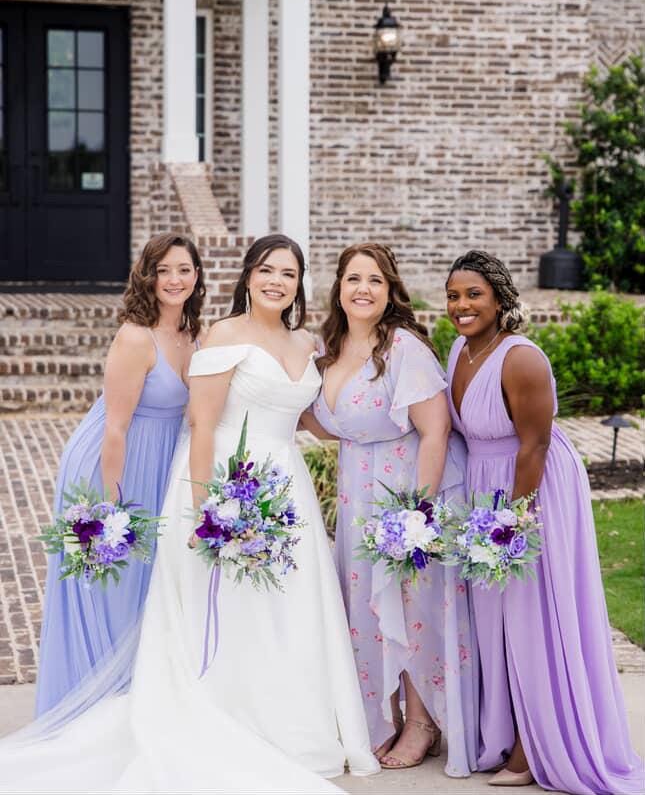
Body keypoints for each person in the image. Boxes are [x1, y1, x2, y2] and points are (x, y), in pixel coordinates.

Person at [0, 234, 377, 794]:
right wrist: (208, 507)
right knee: (202, 604)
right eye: (267, 270)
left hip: (285, 484)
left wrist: (373, 439)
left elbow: (305, 416)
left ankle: (289, 719)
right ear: (248, 276)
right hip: (224, 480)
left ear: (301, 285)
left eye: (290, 274)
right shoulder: (221, 336)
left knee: (289, 607)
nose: (278, 281)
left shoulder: (303, 343)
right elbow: (199, 423)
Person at [445, 249, 644, 794]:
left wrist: (512, 525)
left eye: (473, 295)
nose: (461, 305)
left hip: (529, 489)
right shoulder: (460, 350)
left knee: (532, 618)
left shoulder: (520, 358)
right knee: (495, 621)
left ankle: (538, 745)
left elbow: (532, 445)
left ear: (500, 298)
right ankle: (505, 731)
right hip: (485, 492)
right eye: (454, 296)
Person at [303, 242, 478, 776]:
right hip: (357, 493)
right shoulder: (327, 351)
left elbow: (435, 430)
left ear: (390, 290)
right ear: (338, 287)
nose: (363, 289)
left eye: (375, 280)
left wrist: (417, 515)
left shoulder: (404, 349)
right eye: (354, 278)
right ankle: (387, 716)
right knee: (369, 610)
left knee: (411, 605)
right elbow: (321, 422)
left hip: (406, 490)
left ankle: (423, 722)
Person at [35, 231, 204, 717]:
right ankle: (90, 707)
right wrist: (112, 511)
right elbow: (114, 427)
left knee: (145, 589)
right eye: (164, 270)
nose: (174, 279)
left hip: (160, 463)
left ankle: (135, 701)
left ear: (197, 276)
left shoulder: (193, 334)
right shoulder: (136, 336)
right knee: (113, 585)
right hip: (113, 465)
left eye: (184, 270)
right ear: (147, 277)